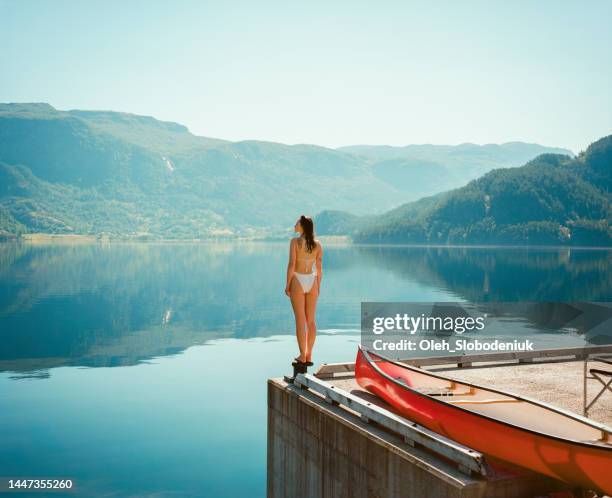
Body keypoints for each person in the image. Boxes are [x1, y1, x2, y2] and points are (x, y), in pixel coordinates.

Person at [285, 215, 323, 366]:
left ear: (302, 226)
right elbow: (319, 269)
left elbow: (291, 265)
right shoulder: (318, 244)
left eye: (297, 223)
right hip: (312, 281)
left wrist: (287, 284)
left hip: (298, 281)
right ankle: (309, 355)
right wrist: (318, 285)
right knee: (311, 320)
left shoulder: (295, 242)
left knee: (300, 320)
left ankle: (302, 355)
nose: (295, 224)